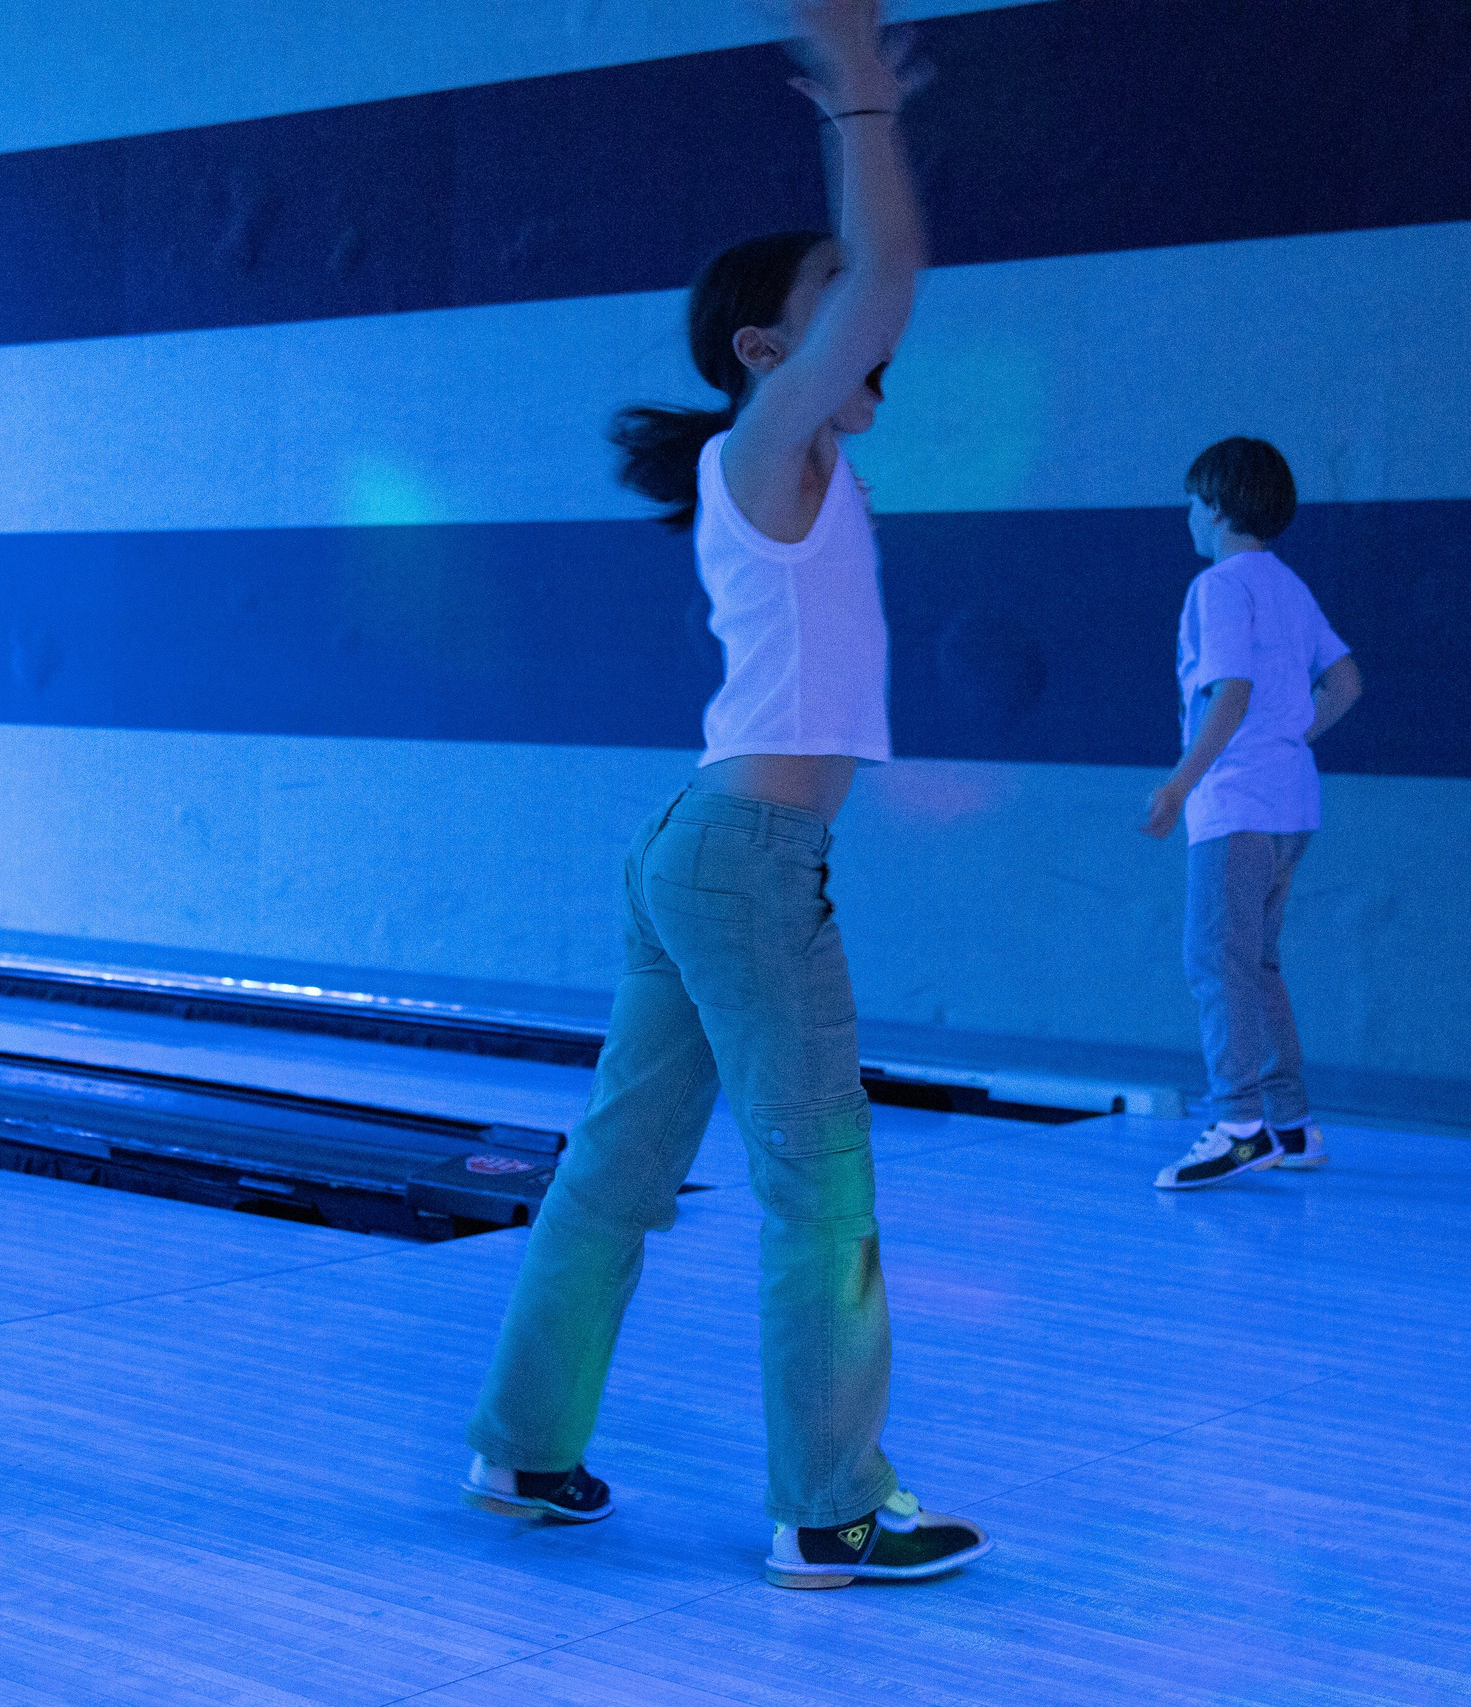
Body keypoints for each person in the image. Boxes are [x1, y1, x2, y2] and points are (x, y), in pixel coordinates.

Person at [461, 0, 991, 1592]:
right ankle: (830, 1507)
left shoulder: (789, 468)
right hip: (749, 855)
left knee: (619, 1168)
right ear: (769, 353)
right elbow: (886, 268)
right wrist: (860, 104)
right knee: (819, 1182)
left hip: (701, 847)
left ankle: (521, 1446)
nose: (866, 325)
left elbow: (872, 288)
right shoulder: (767, 443)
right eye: (827, 309)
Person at [1142, 437, 1363, 1189]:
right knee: (1257, 962)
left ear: (1215, 507)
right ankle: (1292, 1124)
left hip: (1236, 803)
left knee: (1214, 959)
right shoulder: (1289, 585)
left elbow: (1228, 692)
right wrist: (1287, 739)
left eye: (1192, 502)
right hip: (1294, 802)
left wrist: (1178, 783)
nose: (1188, 516)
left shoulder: (1219, 587)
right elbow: (1346, 683)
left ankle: (1239, 1125)